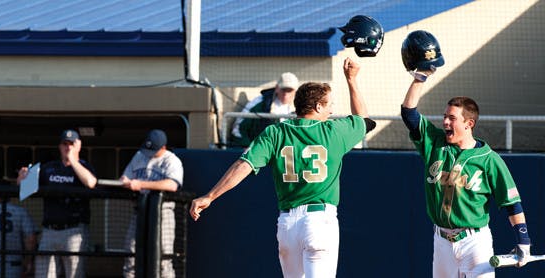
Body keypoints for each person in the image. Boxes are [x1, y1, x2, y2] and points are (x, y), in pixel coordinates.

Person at [190, 57, 376, 277]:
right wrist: (352, 80)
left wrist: (210, 196)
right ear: (318, 106)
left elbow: (244, 165)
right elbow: (363, 119)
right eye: (329, 104)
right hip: (319, 221)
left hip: (287, 224)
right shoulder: (333, 131)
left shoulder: (276, 132)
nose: (332, 110)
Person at [400, 58, 531, 277]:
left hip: (474, 242)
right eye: (444, 117)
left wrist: (523, 240)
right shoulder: (435, 143)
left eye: (452, 118)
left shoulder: (489, 159)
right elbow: (409, 114)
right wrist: (419, 79)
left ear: (469, 124)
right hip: (441, 240)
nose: (445, 123)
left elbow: (511, 203)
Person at [17, 129, 97, 278]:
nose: (68, 147)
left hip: (74, 231)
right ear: (59, 146)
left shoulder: (84, 166)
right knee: (43, 274)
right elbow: (24, 188)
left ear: (78, 145)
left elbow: (91, 182)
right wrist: (22, 178)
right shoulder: (49, 168)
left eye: (71, 144)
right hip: (50, 230)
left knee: (74, 274)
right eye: (64, 144)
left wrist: (73, 161)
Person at [119, 129, 183, 278]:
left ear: (163, 147)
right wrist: (125, 182)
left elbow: (172, 185)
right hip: (139, 212)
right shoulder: (139, 156)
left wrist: (141, 184)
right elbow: (125, 176)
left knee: (163, 260)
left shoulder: (171, 160)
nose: (149, 153)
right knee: (131, 256)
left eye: (153, 149)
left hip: (163, 214)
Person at [230, 72, 299, 148]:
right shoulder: (260, 102)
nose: (286, 94)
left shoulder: (301, 106)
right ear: (277, 88)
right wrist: (248, 148)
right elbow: (238, 128)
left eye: (289, 90)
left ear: (295, 91)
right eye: (283, 89)